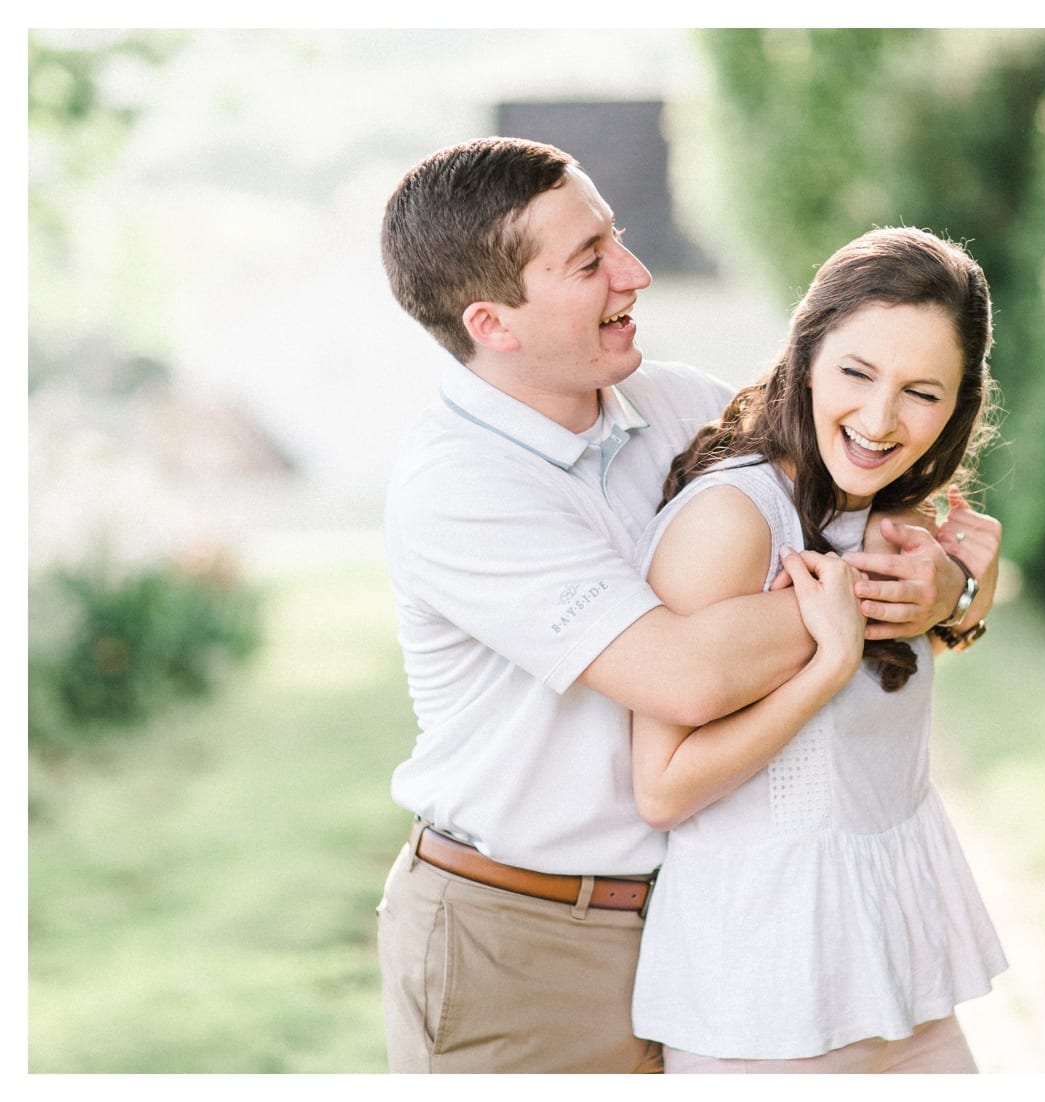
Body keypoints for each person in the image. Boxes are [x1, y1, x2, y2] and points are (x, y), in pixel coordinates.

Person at [375, 136, 1001, 1073]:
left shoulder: (673, 408)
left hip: (691, 924)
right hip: (520, 935)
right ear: (494, 322)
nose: (636, 272)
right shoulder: (459, 487)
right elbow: (687, 673)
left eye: (615, 237)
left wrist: (950, 581)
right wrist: (859, 598)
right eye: (590, 262)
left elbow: (870, 499)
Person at [629, 226, 1007, 1073]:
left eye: (922, 391)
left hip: (902, 987)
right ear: (805, 355)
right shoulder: (732, 520)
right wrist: (825, 667)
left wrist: (962, 597)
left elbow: (882, 699)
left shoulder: (888, 513)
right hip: (764, 1001)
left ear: (960, 405)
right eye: (857, 372)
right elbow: (660, 789)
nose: (879, 420)